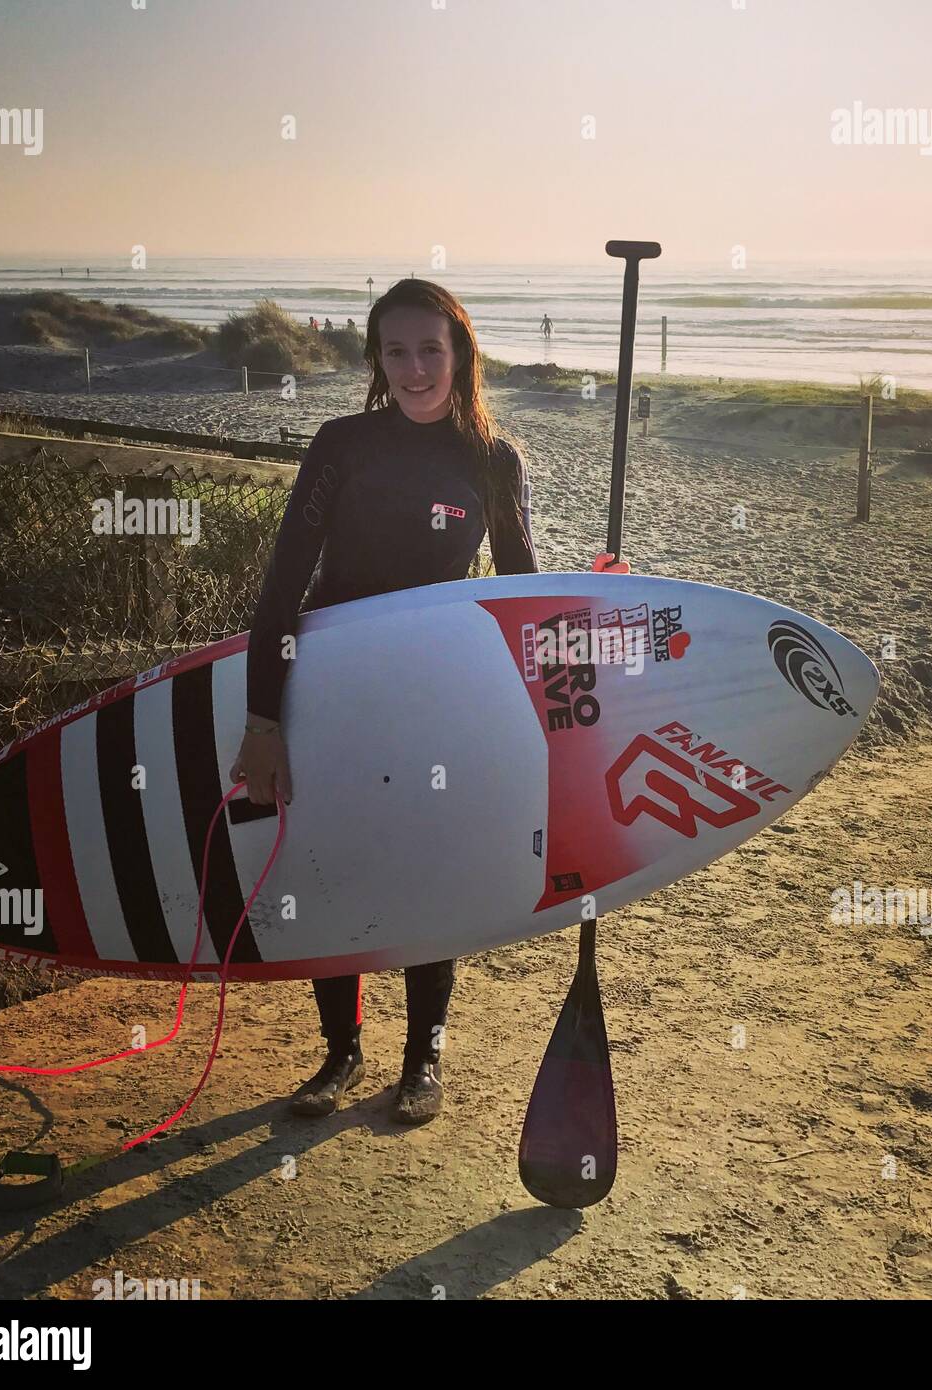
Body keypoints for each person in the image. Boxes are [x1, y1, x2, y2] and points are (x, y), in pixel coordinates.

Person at [232, 277, 625, 1124]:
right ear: (377, 358)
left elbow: (524, 594)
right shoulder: (342, 445)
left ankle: (423, 1060)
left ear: (461, 354)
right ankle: (339, 1054)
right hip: (330, 689)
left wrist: (589, 596)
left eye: (430, 350)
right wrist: (263, 722)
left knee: (426, 874)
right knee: (329, 871)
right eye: (396, 350)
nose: (414, 368)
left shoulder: (491, 460)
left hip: (434, 697)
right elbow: (279, 592)